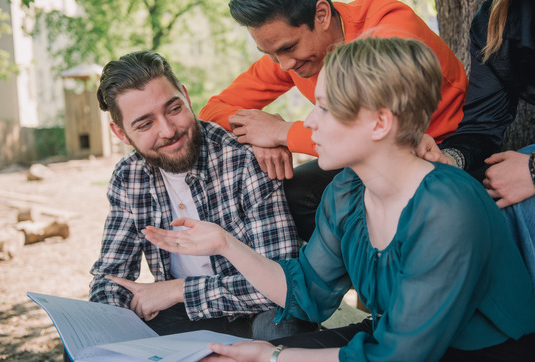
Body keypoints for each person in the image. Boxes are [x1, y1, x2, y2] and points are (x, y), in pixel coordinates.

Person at [143, 37, 535, 361]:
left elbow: (399, 356)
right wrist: (225, 244)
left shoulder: (448, 206)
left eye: (326, 109)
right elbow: (307, 292)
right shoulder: (347, 191)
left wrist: (273, 356)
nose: (309, 122)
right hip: (388, 340)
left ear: (380, 123)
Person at [89, 50, 317, 342]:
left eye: (174, 109)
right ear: (121, 134)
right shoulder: (128, 176)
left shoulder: (244, 158)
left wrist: (176, 290)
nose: (168, 130)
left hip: (262, 309)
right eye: (145, 124)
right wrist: (105, 316)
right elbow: (111, 275)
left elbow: (283, 284)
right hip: (189, 314)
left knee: (279, 332)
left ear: (186, 96)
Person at [199, 0, 468, 241]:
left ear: (322, 14)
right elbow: (212, 111)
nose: (283, 65)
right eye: (269, 54)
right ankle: (359, 271)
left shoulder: (389, 27)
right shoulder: (290, 56)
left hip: (443, 148)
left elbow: (372, 133)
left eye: (288, 47)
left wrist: (281, 133)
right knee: (294, 195)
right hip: (368, 155)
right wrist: (257, 134)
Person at [415, 0, 535, 286]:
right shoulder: (494, 20)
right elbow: (482, 126)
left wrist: (532, 169)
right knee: (477, 200)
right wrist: (449, 160)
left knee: (523, 204)